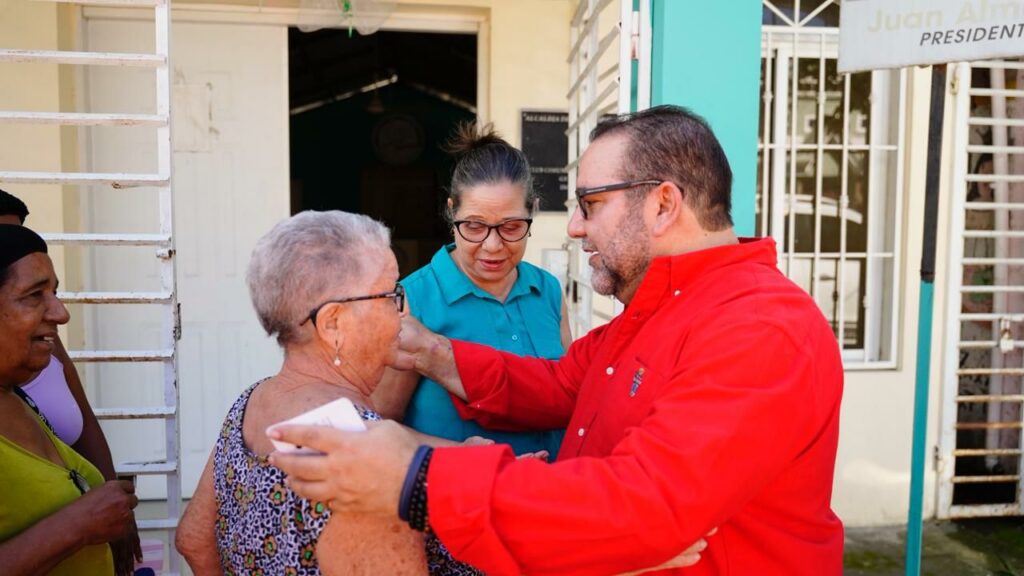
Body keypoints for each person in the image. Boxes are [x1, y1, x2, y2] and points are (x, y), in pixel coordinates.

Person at [270, 106, 845, 575]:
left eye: (591, 205)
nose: (574, 228)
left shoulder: (760, 327)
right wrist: (432, 352)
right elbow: (558, 385)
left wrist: (420, 479)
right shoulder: (650, 313)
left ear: (663, 204)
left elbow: (647, 506)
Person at [176, 211, 485, 575]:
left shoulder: (251, 403)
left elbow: (193, 538)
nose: (403, 313)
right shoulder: (359, 453)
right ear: (333, 323)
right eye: (391, 295)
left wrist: (465, 457)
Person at [372, 123, 569, 458]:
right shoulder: (412, 299)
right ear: (452, 212)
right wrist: (458, 454)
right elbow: (379, 423)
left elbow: (567, 393)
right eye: (474, 226)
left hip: (552, 486)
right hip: (459, 488)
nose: (492, 246)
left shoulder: (547, 289)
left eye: (511, 227)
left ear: (533, 211)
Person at [0, 189, 142, 575]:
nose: (61, 314)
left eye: (55, 292)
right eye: (34, 295)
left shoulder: (18, 397)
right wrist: (76, 526)